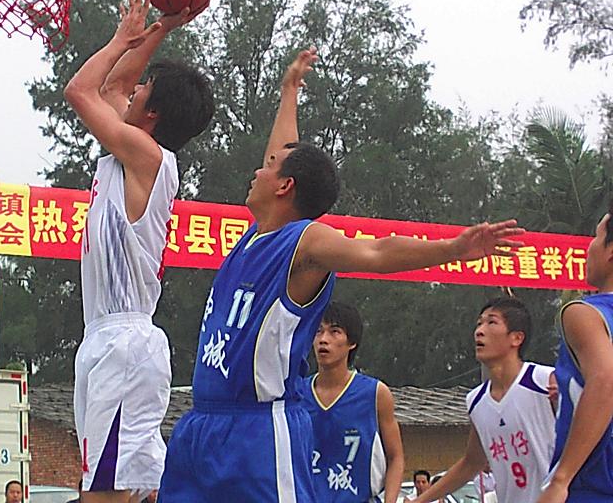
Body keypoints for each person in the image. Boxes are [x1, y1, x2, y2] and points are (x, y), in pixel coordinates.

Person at [157, 46, 524, 502]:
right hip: (202, 423)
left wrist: (453, 248)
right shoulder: (255, 235)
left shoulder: (305, 242)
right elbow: (283, 154)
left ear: (286, 186)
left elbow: (375, 250)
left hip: (258, 431)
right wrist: (289, 92)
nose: (258, 168)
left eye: (268, 167)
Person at [64, 0, 213, 503]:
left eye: (145, 89)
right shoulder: (131, 153)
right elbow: (113, 86)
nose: (134, 90)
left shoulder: (148, 156)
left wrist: (120, 39)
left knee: (103, 495)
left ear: (151, 114)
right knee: (126, 493)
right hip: (106, 340)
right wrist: (160, 29)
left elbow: (82, 91)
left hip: (125, 344)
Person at [406, 297, 555, 503]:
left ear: (516, 338)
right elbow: (472, 462)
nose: (479, 331)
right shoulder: (476, 400)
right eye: (479, 323)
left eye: (491, 322)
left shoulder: (546, 381)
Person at [538, 207, 613, 503]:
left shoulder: (585, 313)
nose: (588, 248)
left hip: (594, 485)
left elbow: (605, 380)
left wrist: (561, 479)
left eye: (596, 237)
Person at [301, 302, 404, 502]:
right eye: (318, 331)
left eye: (334, 332)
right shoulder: (297, 394)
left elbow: (396, 457)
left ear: (352, 342)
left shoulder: (375, 393)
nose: (323, 339)